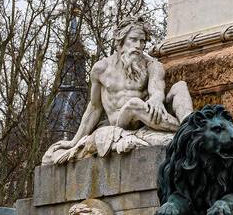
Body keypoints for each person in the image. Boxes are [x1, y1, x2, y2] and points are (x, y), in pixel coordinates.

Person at [44, 16, 192, 164]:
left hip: (145, 119)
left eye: (142, 41)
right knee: (134, 104)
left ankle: (192, 125)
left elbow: (157, 90)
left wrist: (156, 98)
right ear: (121, 41)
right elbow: (94, 108)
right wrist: (74, 141)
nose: (138, 46)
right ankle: (188, 131)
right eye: (133, 40)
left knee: (180, 86)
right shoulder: (101, 69)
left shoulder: (151, 65)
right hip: (120, 123)